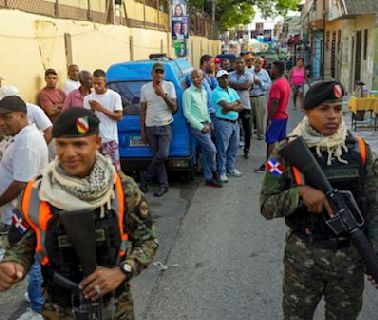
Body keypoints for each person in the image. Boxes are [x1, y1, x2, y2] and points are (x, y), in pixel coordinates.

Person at [0, 107, 158, 319]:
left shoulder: (120, 187)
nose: (69, 153)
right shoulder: (38, 191)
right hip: (59, 309)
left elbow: (147, 241)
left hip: (114, 308)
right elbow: (22, 246)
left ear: (97, 143)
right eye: (62, 144)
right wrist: (13, 265)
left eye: (79, 144)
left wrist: (123, 271)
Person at [260, 80, 378, 320]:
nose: (333, 116)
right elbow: (266, 205)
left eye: (337, 109)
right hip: (304, 258)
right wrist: (300, 194)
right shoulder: (283, 152)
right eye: (324, 109)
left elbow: (374, 205)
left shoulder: (362, 150)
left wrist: (373, 253)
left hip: (349, 259)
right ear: (306, 111)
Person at [0, 96, 48, 320]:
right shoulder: (21, 137)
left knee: (33, 262)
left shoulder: (27, 141)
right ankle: (37, 295)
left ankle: (39, 310)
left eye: (7, 118)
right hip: (23, 212)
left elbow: (21, 182)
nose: (2, 123)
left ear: (22, 115)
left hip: (26, 214)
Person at [139, 63, 177, 197]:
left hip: (165, 125)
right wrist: (142, 130)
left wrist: (163, 95)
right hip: (150, 127)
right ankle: (163, 185)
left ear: (164, 74)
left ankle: (146, 177)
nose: (159, 75)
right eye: (157, 72)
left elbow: (174, 108)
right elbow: (142, 110)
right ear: (152, 73)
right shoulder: (145, 88)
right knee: (157, 158)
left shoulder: (169, 86)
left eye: (161, 72)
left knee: (163, 155)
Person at [183, 69, 221, 188]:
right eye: (193, 77)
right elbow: (187, 114)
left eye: (198, 77)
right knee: (212, 150)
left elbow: (205, 110)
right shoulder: (188, 93)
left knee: (206, 152)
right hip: (197, 127)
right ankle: (214, 174)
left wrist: (209, 123)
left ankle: (208, 178)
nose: (195, 79)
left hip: (206, 124)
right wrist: (201, 127)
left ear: (203, 78)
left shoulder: (204, 91)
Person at [83, 69, 123, 173]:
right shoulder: (87, 99)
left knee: (115, 171)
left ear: (105, 82)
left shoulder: (114, 96)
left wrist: (102, 109)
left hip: (110, 140)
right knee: (96, 172)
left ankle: (117, 189)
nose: (96, 86)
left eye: (99, 83)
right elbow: (83, 123)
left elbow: (119, 116)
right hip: (94, 141)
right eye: (94, 83)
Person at [255, 60, 290, 173]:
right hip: (283, 116)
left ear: (277, 70)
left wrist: (270, 118)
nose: (270, 70)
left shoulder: (276, 84)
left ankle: (269, 165)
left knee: (271, 141)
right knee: (281, 141)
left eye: (272, 68)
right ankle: (280, 165)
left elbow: (275, 101)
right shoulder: (284, 81)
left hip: (277, 117)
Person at [211, 70, 243, 183]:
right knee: (222, 149)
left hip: (234, 122)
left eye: (226, 77)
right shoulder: (215, 92)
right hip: (223, 123)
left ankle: (231, 168)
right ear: (218, 79)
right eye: (222, 78)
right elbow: (227, 105)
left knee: (233, 148)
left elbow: (241, 105)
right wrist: (232, 105)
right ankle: (222, 172)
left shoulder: (232, 90)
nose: (225, 80)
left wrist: (230, 107)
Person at [229, 57, 254, 158]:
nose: (239, 64)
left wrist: (232, 84)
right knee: (232, 129)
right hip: (233, 106)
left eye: (241, 62)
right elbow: (240, 86)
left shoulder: (249, 74)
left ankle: (246, 149)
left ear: (244, 64)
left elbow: (246, 86)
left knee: (247, 129)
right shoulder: (230, 75)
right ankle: (231, 150)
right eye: (237, 62)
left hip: (245, 106)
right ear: (234, 64)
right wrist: (240, 85)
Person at [249, 57, 272, 141]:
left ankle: (260, 134)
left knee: (260, 117)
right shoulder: (249, 72)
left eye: (259, 63)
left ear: (262, 64)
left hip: (260, 97)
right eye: (256, 63)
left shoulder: (264, 73)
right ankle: (249, 134)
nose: (258, 65)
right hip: (250, 97)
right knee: (249, 117)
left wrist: (260, 83)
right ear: (253, 64)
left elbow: (268, 86)